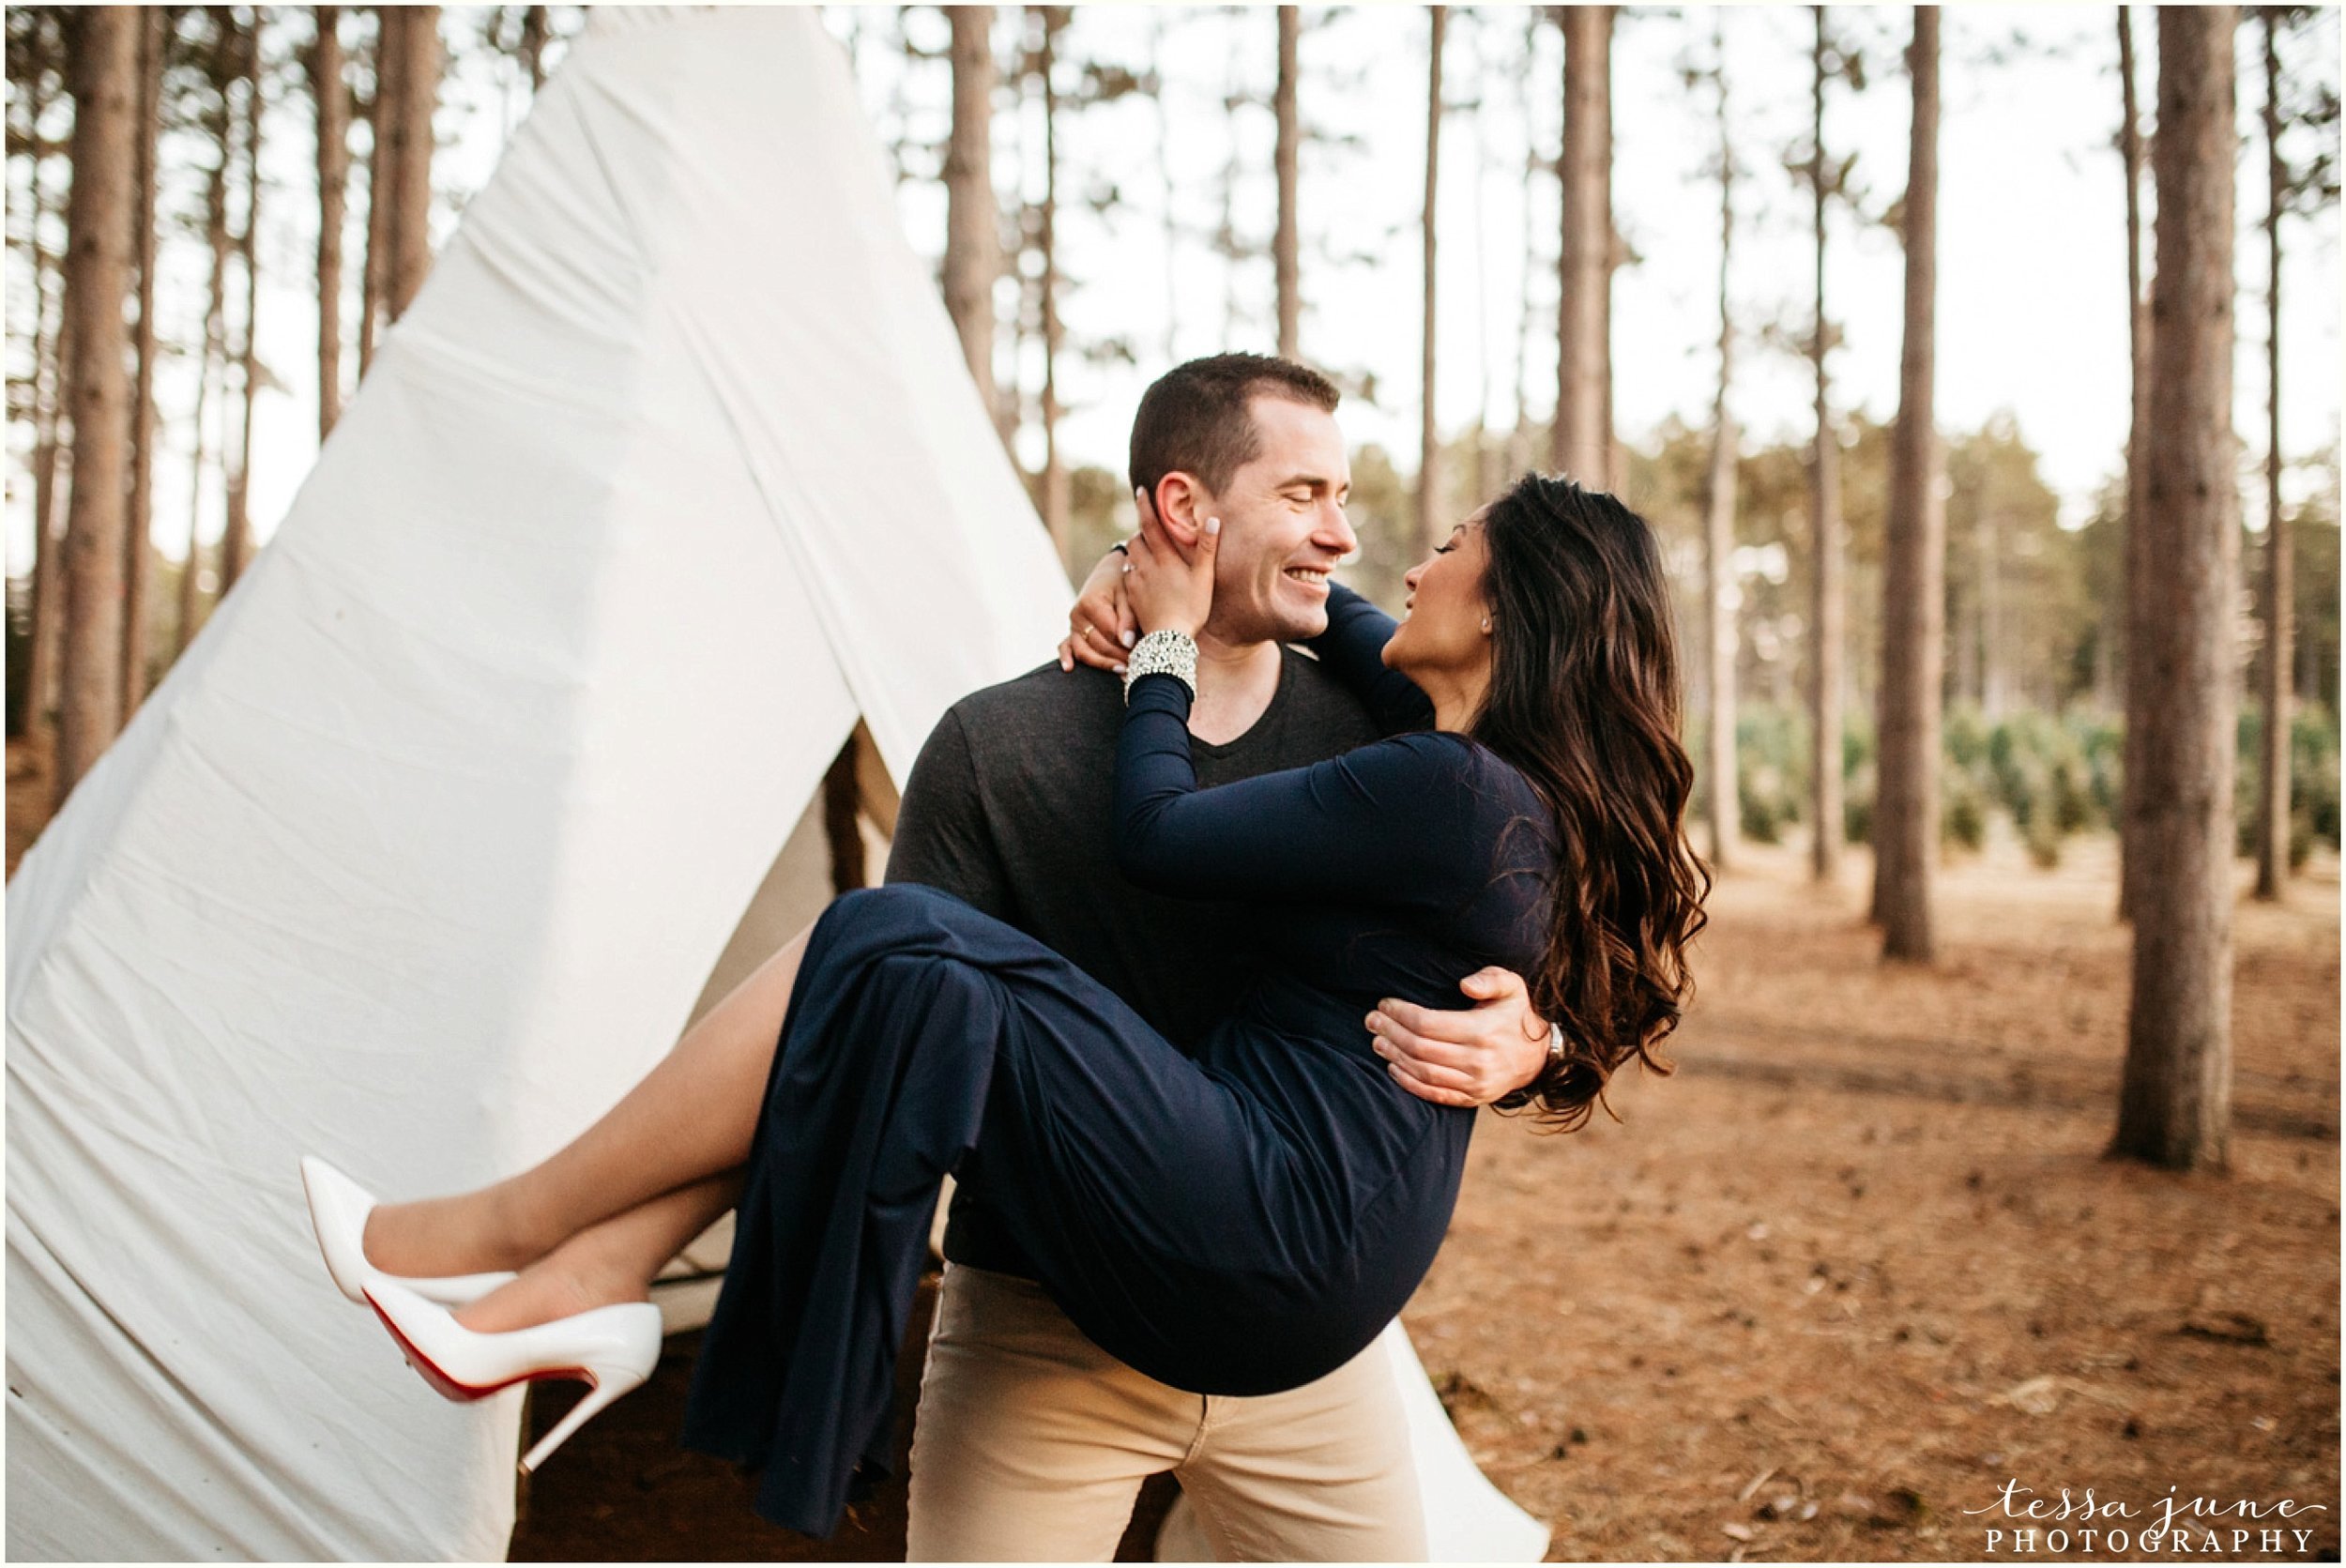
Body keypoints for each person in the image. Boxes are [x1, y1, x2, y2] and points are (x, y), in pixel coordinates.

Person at [307, 364, 1705, 1548]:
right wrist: (1140, 593)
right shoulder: (1002, 746)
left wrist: (1538, 1040)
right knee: (879, 965)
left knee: (880, 945)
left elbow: (1537, 920)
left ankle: (529, 1243)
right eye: (1309, 496)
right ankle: (569, 1272)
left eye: (1370, 508)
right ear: (1182, 508)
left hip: (1300, 1337)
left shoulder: (1384, 734)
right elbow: (857, 1047)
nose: (1360, 541)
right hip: (1055, 1320)